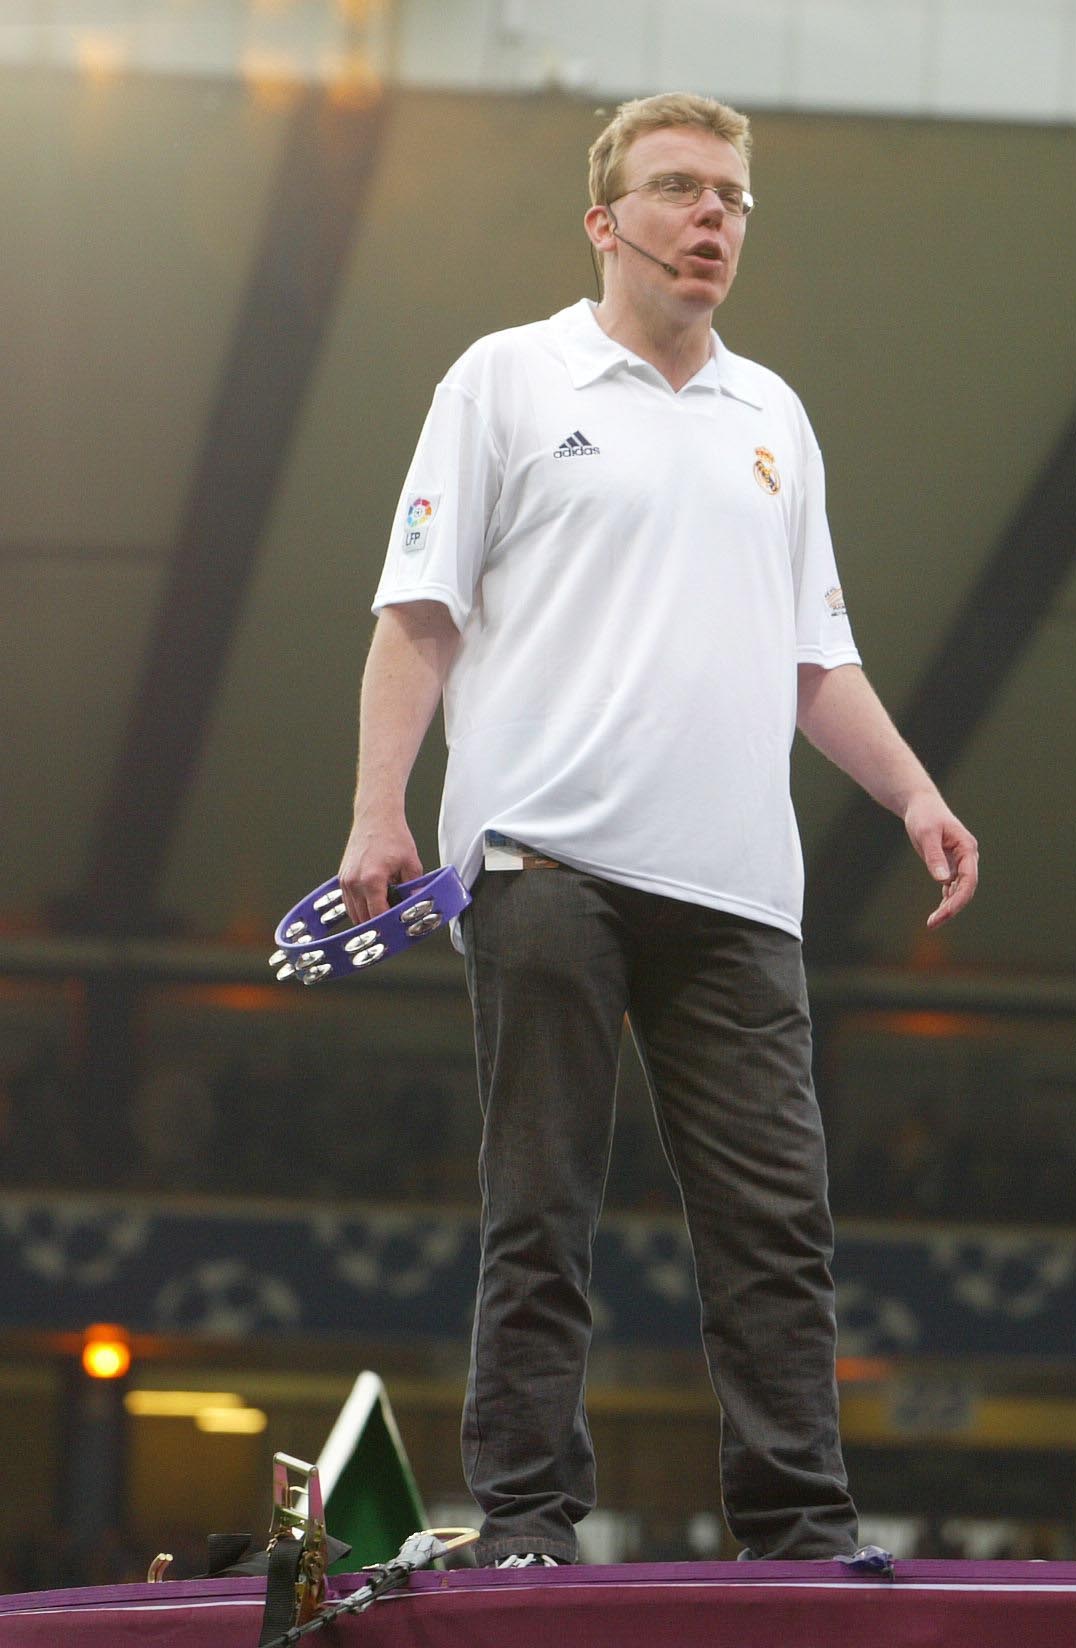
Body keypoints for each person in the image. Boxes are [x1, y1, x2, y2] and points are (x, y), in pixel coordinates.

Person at [337, 92, 979, 1566]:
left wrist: (914, 793)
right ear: (603, 219)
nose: (713, 219)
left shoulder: (777, 417)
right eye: (682, 189)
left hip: (743, 889)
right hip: (543, 861)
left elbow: (819, 658)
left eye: (734, 198)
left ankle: (800, 1526)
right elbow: (417, 615)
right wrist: (380, 810)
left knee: (778, 1229)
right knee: (542, 1208)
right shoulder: (504, 380)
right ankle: (527, 1519)